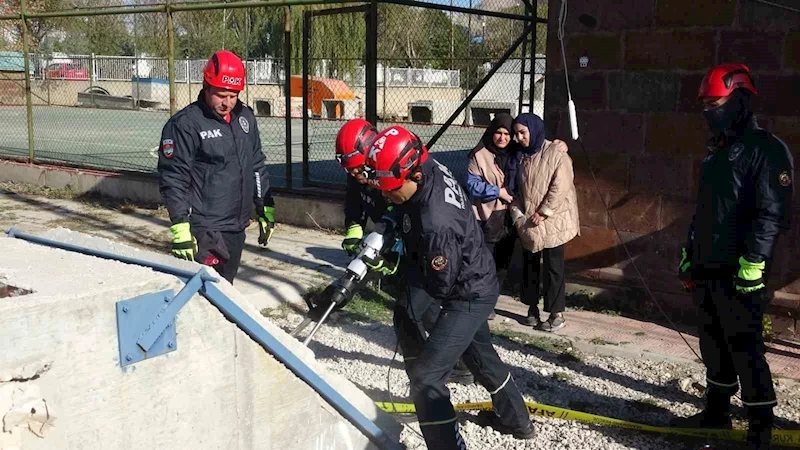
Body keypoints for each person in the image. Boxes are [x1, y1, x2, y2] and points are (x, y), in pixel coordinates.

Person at [364, 125, 535, 449]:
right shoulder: (427, 164)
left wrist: (396, 268)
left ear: (412, 175)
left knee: (427, 377)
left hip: (468, 292)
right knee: (480, 354)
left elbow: (438, 285)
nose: (386, 195)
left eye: (390, 188)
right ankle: (518, 421)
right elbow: (403, 207)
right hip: (473, 270)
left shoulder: (435, 224)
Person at [670, 63, 794, 450]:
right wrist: (690, 253)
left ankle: (760, 425)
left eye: (716, 102)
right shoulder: (716, 152)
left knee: (745, 346)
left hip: (741, 269)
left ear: (739, 99)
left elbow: (771, 213)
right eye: (704, 104)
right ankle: (716, 412)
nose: (709, 110)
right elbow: (703, 210)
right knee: (712, 342)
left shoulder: (766, 150)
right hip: (708, 265)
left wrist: (754, 263)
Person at [334, 118, 476, 386]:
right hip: (393, 237)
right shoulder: (358, 174)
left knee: (420, 307)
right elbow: (354, 203)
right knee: (418, 308)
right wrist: (354, 230)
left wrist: (393, 256)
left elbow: (406, 215)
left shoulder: (394, 172)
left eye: (360, 171)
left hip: (418, 242)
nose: (357, 177)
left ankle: (445, 368)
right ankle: (454, 362)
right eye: (351, 172)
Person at [157, 49, 275, 284]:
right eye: (221, 95)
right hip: (205, 226)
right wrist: (180, 225)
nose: (227, 103)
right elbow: (174, 177)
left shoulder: (245, 118)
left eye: (233, 96)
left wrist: (265, 208)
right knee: (205, 291)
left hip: (237, 224)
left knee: (226, 288)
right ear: (206, 86)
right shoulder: (185, 124)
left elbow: (256, 165)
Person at [509, 113, 579, 332]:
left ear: (534, 129)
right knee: (530, 266)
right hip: (530, 221)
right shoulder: (520, 156)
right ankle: (531, 309)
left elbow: (561, 185)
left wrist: (545, 211)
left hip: (553, 220)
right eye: (517, 133)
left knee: (554, 267)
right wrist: (518, 216)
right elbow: (517, 188)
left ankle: (556, 314)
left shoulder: (556, 153)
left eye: (523, 132)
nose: (520, 137)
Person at [466, 113, 522, 317]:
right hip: (488, 215)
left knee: (503, 262)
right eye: (498, 132)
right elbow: (472, 185)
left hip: (511, 215)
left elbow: (539, 149)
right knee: (485, 261)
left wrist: (561, 145)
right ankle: (481, 301)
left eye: (507, 134)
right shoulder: (479, 154)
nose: (502, 138)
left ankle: (491, 301)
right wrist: (498, 192)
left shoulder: (517, 152)